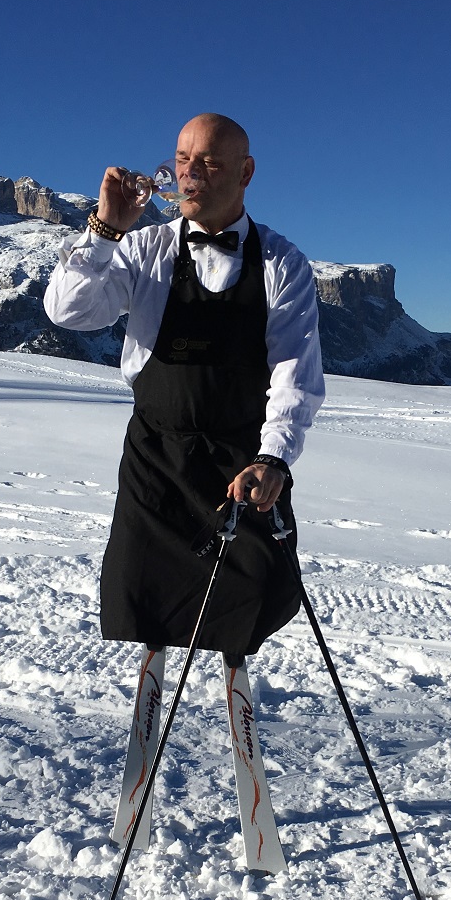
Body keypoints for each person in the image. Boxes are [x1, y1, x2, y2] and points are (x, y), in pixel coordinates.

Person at [44, 113, 324, 660]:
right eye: (181, 159)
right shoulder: (143, 248)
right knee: (145, 603)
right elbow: (67, 311)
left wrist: (274, 459)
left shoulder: (281, 263)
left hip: (241, 467)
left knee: (251, 603)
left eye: (209, 162)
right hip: (155, 463)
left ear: (245, 172)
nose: (189, 174)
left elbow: (296, 373)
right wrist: (105, 229)